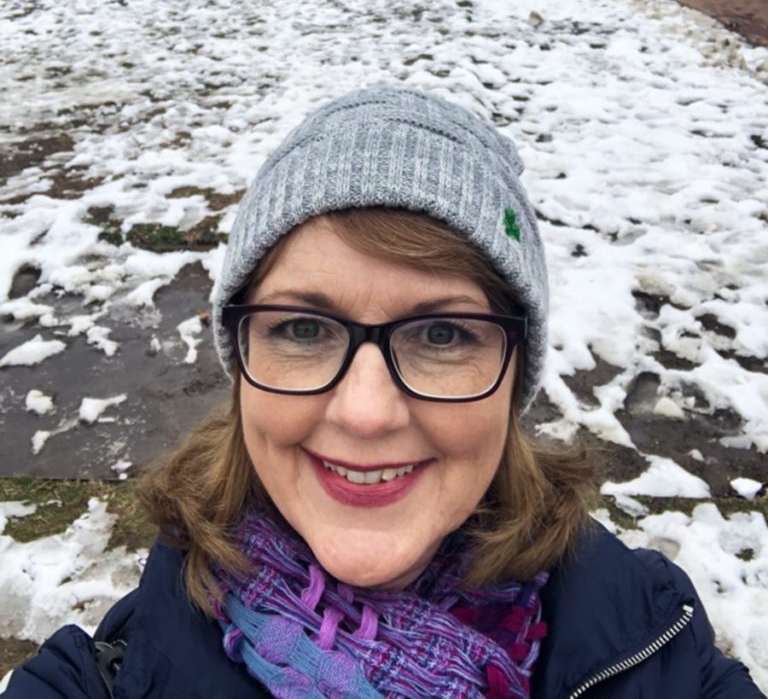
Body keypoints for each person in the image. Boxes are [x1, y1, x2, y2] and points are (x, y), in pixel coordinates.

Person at [5, 87, 765, 699]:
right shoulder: (104, 678)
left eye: (441, 336)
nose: (366, 413)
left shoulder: (655, 650)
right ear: (239, 357)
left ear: (514, 375)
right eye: (303, 329)